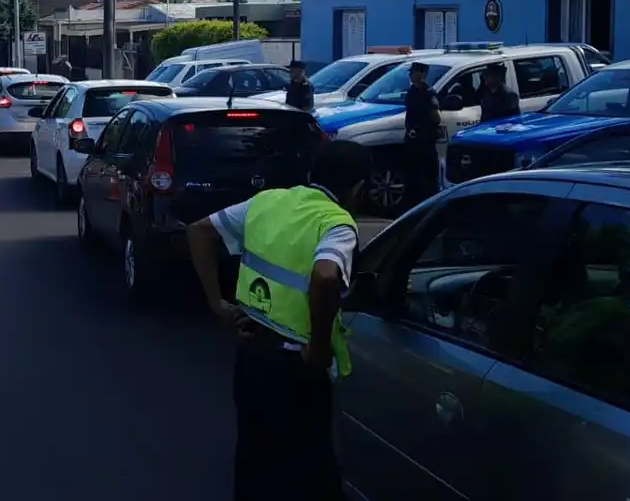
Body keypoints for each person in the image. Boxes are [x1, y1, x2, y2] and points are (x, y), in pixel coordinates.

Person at [186, 140, 372, 501]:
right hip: (296, 370)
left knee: (254, 462)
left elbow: (198, 231)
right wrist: (319, 348)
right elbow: (326, 276)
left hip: (252, 356)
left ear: (312, 174)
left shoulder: (266, 202)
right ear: (359, 190)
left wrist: (217, 304)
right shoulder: (337, 224)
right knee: (309, 474)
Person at [402, 62, 442, 209]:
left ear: (423, 74)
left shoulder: (428, 93)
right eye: (411, 72)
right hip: (412, 139)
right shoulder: (411, 92)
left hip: (425, 140)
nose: (411, 75)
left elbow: (436, 117)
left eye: (414, 72)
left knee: (428, 177)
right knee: (411, 175)